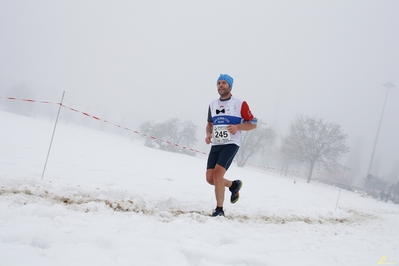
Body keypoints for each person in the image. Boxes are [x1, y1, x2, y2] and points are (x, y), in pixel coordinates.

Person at [205, 74, 257, 217]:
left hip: (231, 143)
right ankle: (233, 185)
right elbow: (210, 124)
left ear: (230, 86)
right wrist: (208, 134)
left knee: (217, 175)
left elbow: (253, 124)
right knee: (210, 179)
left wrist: (238, 127)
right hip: (216, 144)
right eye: (218, 83)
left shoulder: (240, 103)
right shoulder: (212, 104)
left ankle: (219, 209)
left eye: (224, 83)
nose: (220, 85)